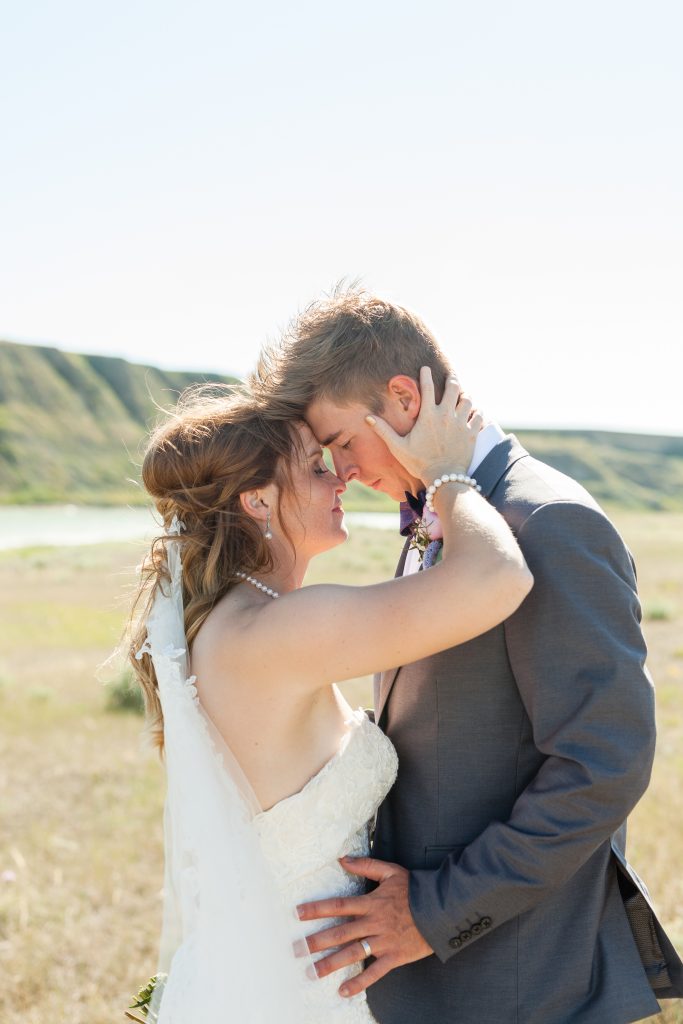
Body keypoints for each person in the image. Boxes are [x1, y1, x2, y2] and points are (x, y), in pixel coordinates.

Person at [250, 288, 683, 1024]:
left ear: (400, 398)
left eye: (342, 442)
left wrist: (436, 912)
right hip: (438, 980)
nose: (343, 470)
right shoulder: (447, 512)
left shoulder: (548, 523)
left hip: (515, 977)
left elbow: (603, 765)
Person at [127, 380, 532, 1023]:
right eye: (316, 467)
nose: (341, 476)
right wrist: (446, 469)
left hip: (275, 970)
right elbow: (497, 577)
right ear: (258, 498)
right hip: (302, 987)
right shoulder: (275, 631)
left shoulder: (233, 623)